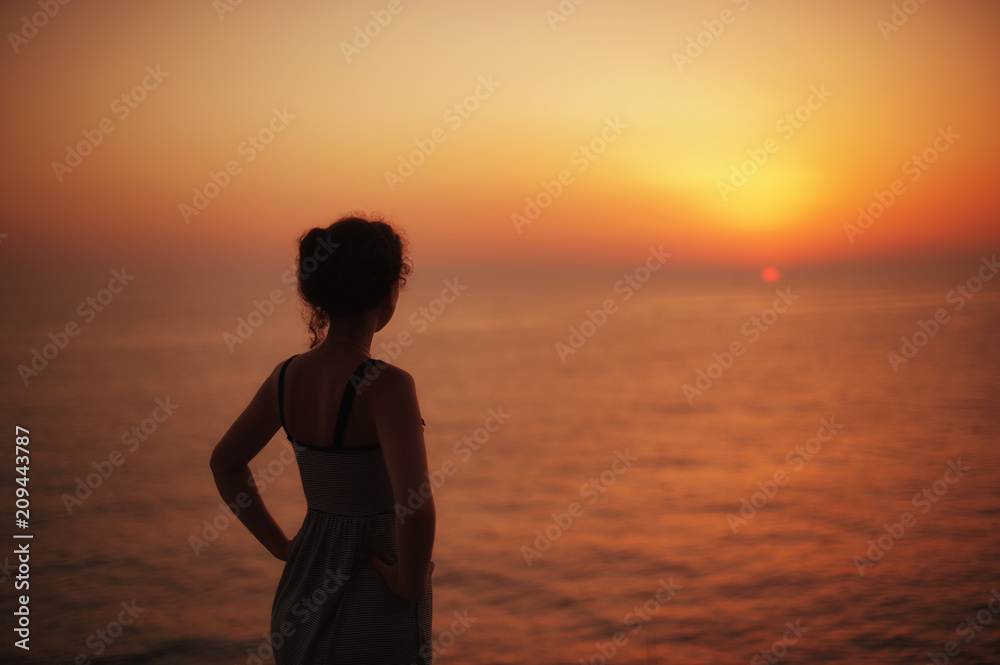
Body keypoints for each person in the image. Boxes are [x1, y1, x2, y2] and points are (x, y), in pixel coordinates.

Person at [210, 214, 435, 664]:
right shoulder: (387, 386)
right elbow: (415, 502)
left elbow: (225, 464)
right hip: (376, 583)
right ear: (389, 296)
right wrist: (410, 582)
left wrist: (283, 547)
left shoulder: (286, 377)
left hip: (305, 584)